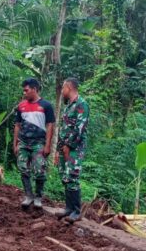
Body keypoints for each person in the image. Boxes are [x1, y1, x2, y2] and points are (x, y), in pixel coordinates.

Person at [13, 78, 55, 210]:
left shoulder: (46, 106)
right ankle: (28, 195)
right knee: (23, 169)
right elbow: (17, 125)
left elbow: (50, 126)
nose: (24, 93)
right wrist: (15, 143)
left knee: (40, 171)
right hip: (23, 143)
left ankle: (38, 196)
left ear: (34, 89)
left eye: (26, 90)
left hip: (39, 143)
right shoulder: (21, 106)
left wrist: (47, 145)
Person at [55, 78, 89, 222]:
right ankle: (68, 208)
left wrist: (69, 146)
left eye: (63, 88)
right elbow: (64, 130)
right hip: (64, 147)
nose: (62, 91)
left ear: (69, 87)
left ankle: (76, 211)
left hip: (75, 148)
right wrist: (58, 150)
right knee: (65, 176)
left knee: (72, 176)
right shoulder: (68, 106)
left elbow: (79, 128)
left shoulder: (82, 104)